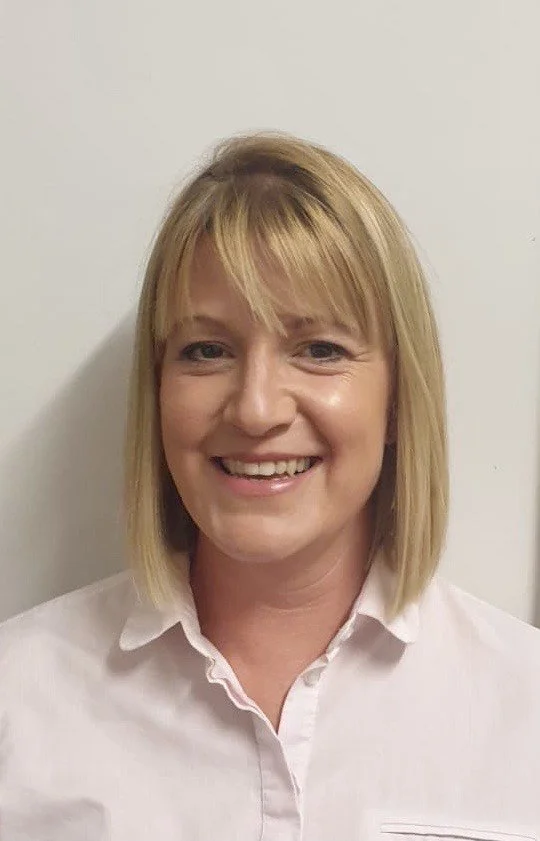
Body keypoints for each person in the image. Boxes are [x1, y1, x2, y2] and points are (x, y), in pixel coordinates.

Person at [1, 132, 539, 840]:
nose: (256, 408)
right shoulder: (18, 701)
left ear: (399, 399)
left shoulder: (521, 708)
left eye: (320, 349)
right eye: (207, 350)